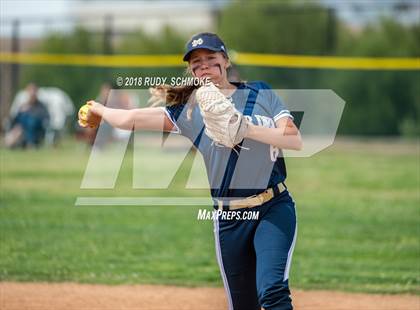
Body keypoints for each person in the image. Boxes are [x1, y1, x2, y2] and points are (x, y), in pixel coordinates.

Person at [79, 32, 302, 310]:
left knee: (272, 292)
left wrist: (245, 127)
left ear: (226, 61)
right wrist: (99, 109)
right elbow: (129, 119)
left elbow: (294, 139)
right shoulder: (187, 111)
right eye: (197, 62)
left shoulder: (260, 92)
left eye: (211, 58)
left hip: (273, 208)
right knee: (242, 305)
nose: (205, 66)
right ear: (191, 70)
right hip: (229, 218)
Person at [6, 83, 50, 148]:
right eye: (30, 92)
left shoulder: (41, 106)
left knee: (31, 120)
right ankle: (14, 141)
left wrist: (30, 111)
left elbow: (45, 117)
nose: (32, 94)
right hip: (20, 129)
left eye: (33, 92)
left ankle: (29, 143)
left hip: (36, 129)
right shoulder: (23, 106)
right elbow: (15, 118)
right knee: (22, 120)